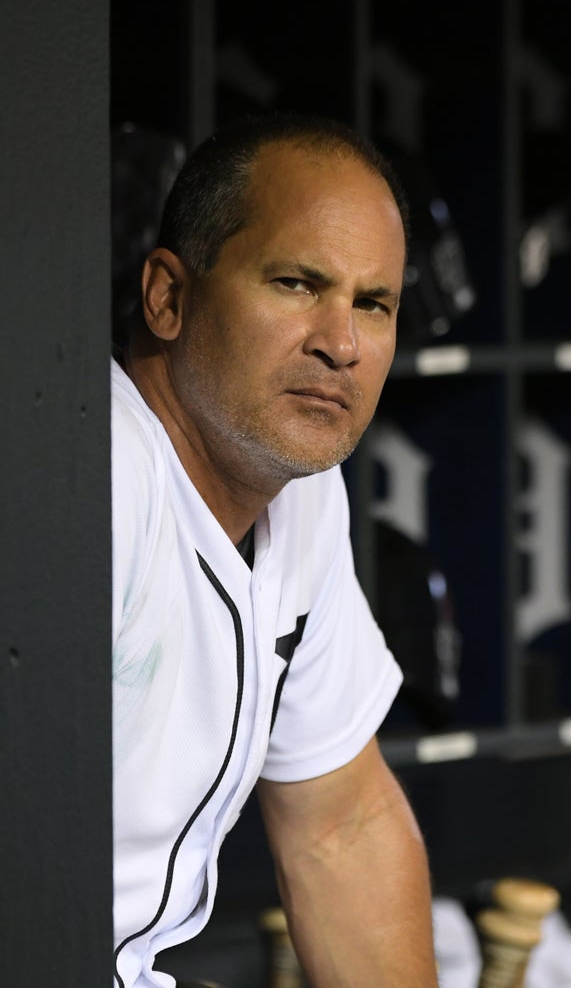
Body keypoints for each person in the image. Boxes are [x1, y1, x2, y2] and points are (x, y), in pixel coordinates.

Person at [111, 112, 439, 988]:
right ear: (168, 298)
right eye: (297, 284)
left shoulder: (300, 499)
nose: (342, 343)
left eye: (374, 303)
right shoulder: (97, 477)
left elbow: (343, 826)